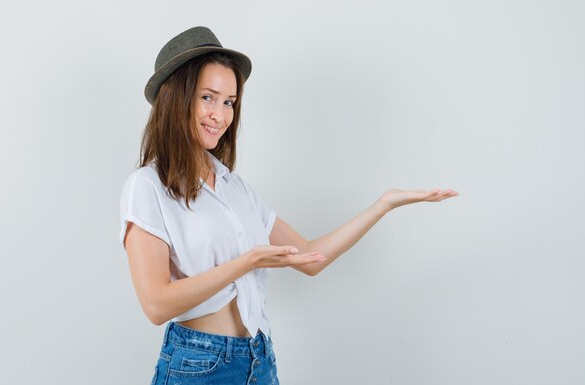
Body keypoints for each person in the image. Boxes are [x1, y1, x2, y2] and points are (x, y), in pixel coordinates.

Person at [119, 26, 459, 385]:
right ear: (176, 98)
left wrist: (383, 204)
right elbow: (155, 305)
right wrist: (246, 262)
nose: (219, 115)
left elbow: (310, 257)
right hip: (198, 365)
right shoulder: (147, 187)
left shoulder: (236, 189)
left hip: (258, 360)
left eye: (229, 102)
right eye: (208, 97)